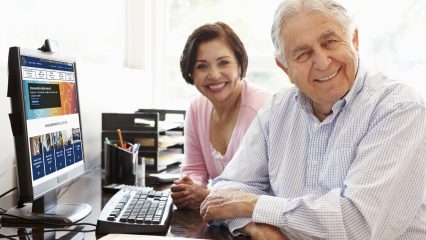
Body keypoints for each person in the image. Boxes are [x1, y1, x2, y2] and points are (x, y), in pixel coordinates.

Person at [200, 0, 426, 239]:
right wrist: (254, 226)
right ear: (284, 67)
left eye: (330, 42)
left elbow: (357, 223)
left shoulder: (399, 108)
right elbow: (225, 193)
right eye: (303, 54)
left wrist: (254, 206)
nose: (322, 61)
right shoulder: (276, 110)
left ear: (355, 40)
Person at [171, 22, 272, 209]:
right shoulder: (196, 107)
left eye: (223, 62)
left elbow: (264, 190)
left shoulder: (262, 108)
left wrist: (207, 196)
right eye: (202, 66)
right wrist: (188, 189)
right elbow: (194, 170)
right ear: (191, 73)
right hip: (223, 219)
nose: (214, 74)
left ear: (240, 64)